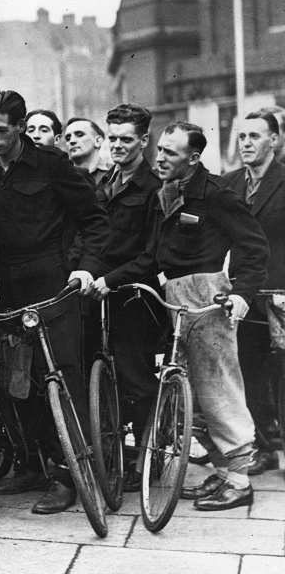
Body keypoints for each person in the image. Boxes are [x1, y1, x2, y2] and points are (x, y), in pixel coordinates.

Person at [90, 121, 268, 511]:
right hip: (174, 296)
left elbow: (255, 248)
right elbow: (152, 256)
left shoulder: (216, 194)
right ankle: (223, 472)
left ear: (194, 158)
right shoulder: (166, 193)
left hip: (207, 297)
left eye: (171, 152)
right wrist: (111, 279)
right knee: (194, 394)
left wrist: (241, 294)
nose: (160, 157)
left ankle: (240, 481)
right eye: (161, 149)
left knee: (219, 387)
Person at [0, 90, 110, 514]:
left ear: (20, 126)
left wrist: (85, 268)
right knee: (19, 381)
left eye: (0, 130)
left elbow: (95, 222)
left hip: (51, 280)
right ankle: (35, 464)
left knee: (61, 375)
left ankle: (70, 474)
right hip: (6, 283)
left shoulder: (52, 163)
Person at [92, 103, 164, 489]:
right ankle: (118, 455)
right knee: (108, 378)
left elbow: (152, 256)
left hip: (135, 299)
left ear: (144, 140)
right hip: (100, 294)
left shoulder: (154, 188)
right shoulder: (105, 182)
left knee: (137, 381)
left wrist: (112, 279)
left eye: (126, 139)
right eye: (112, 138)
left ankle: (148, 460)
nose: (117, 145)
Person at [224, 112, 284, 475]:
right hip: (244, 291)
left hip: (280, 290)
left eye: (254, 136)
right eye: (242, 136)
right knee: (248, 370)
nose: (246, 142)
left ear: (273, 140)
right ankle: (264, 447)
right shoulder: (229, 184)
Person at [64, 117, 110, 182]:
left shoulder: (115, 172)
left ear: (98, 141)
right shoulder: (60, 176)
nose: (71, 141)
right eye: (68, 138)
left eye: (79, 135)